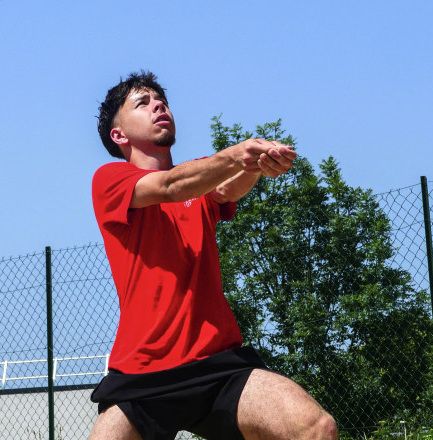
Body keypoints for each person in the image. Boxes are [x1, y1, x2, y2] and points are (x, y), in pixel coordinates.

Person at [89, 71, 338, 440]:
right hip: (141, 376)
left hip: (218, 365)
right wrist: (235, 155)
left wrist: (257, 163)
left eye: (162, 101)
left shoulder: (200, 180)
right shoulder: (110, 180)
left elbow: (224, 187)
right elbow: (171, 186)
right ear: (119, 135)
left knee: (316, 428)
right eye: (143, 103)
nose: (159, 106)